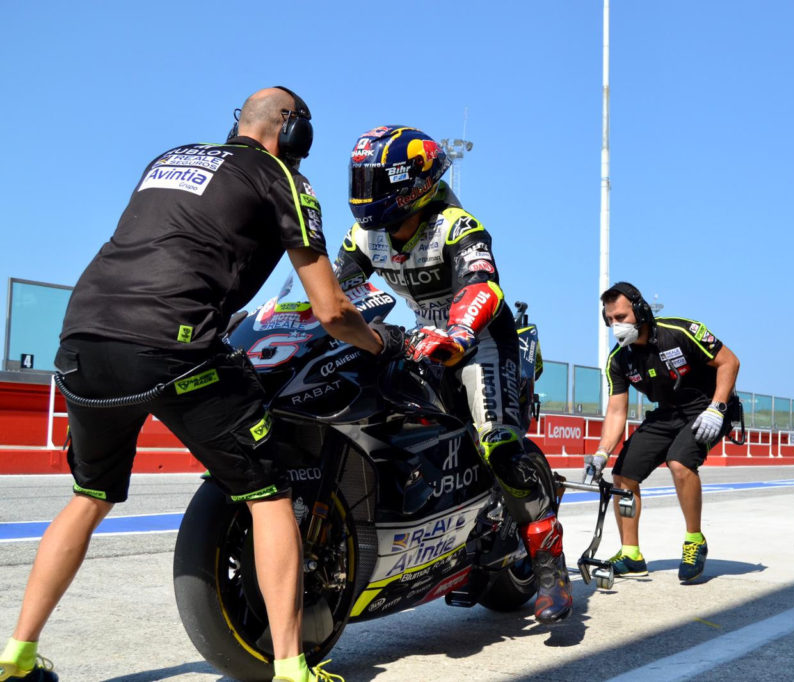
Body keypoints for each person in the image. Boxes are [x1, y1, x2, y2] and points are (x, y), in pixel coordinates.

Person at [0, 87, 388, 682]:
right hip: (172, 345)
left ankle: (16, 658)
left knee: (89, 497)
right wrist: (383, 343)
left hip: (82, 337)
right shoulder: (283, 178)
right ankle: (291, 669)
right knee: (268, 494)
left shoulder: (170, 158)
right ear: (292, 131)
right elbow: (332, 309)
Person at [334, 125, 572, 624]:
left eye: (375, 180)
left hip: (481, 339)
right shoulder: (363, 235)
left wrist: (460, 332)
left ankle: (550, 561)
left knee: (498, 447)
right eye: (360, 178)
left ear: (412, 182)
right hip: (424, 337)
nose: (364, 192)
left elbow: (484, 287)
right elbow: (334, 290)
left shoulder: (457, 226)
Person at [585, 282, 740, 583]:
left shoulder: (681, 331)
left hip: (706, 408)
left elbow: (729, 362)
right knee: (623, 474)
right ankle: (631, 555)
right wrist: (602, 452)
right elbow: (617, 411)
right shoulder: (618, 359)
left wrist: (717, 407)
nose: (616, 325)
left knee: (679, 462)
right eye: (610, 320)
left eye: (621, 317)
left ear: (641, 311)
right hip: (667, 412)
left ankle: (695, 540)